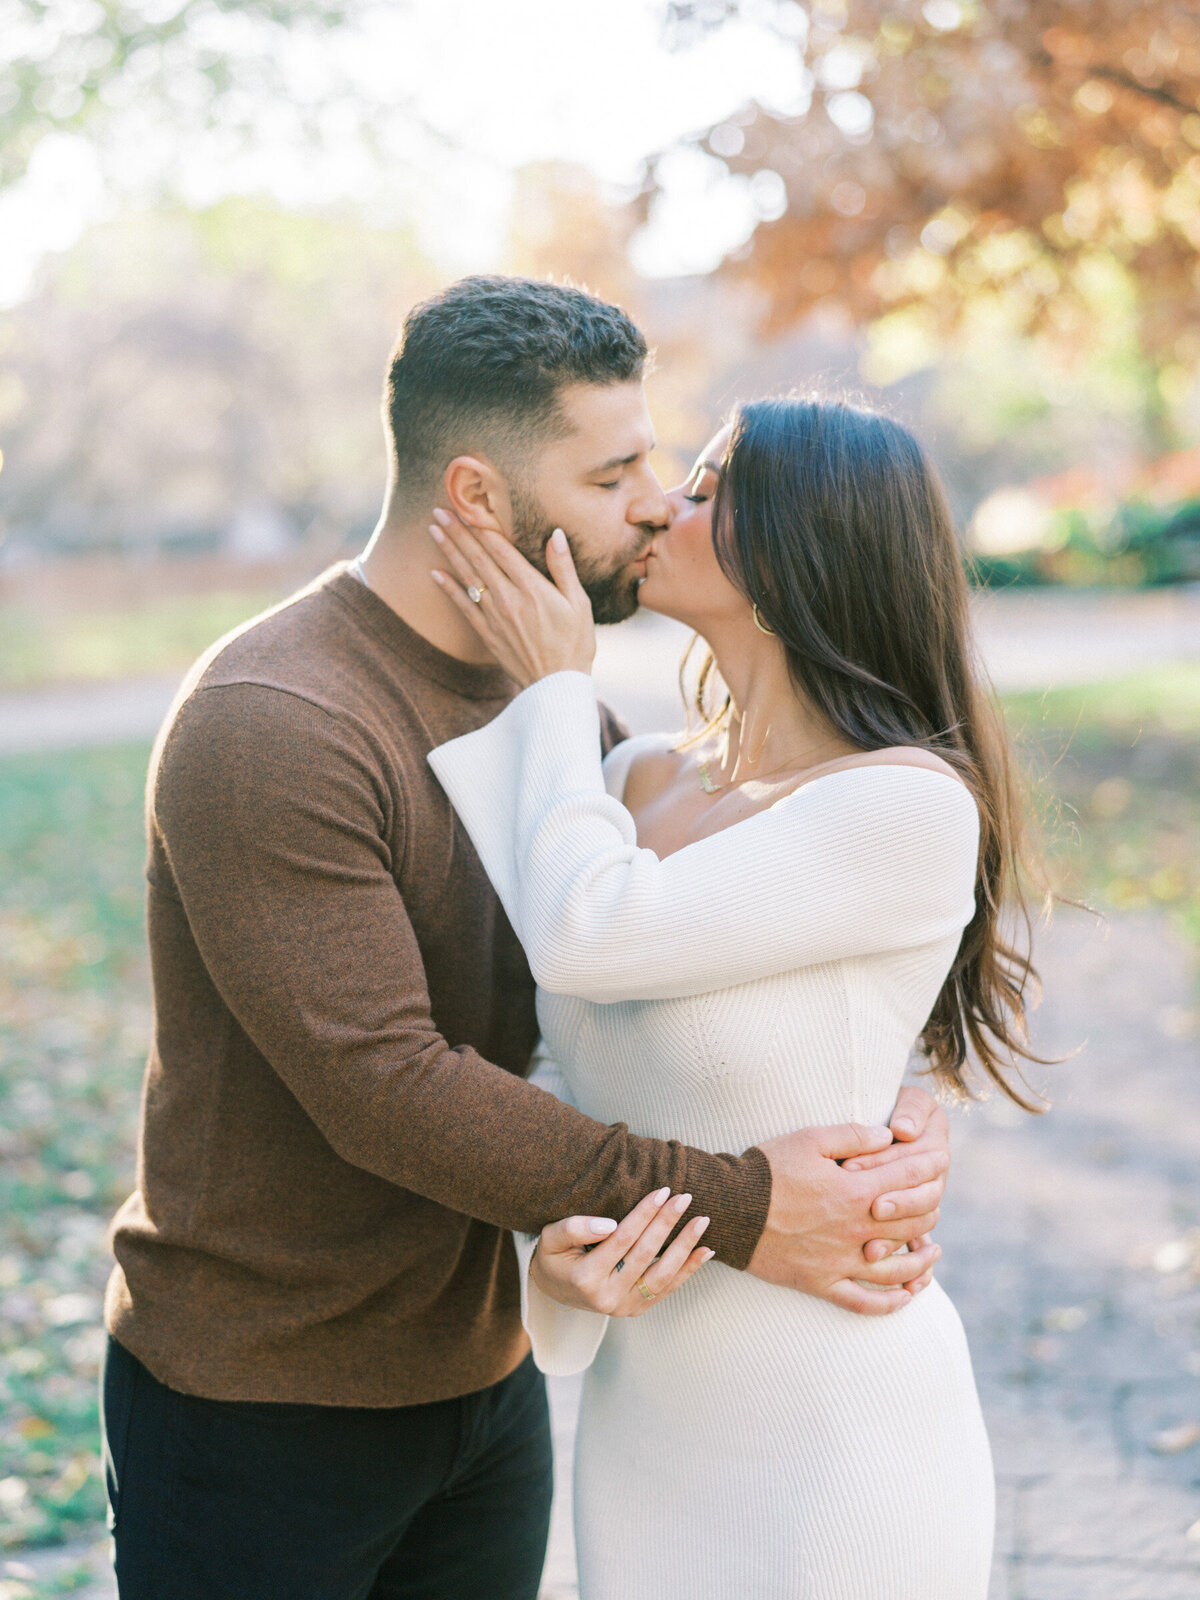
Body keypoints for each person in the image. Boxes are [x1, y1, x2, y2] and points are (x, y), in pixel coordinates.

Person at [101, 278, 952, 1600]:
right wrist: (750, 1204)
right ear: (480, 499)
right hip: (269, 1398)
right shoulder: (278, 719)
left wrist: (874, 1111)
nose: (659, 502)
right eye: (614, 474)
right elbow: (388, 1089)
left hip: (490, 1377)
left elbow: (661, 986)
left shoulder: (572, 731)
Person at [426, 395, 1046, 1598]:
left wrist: (556, 685)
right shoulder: (630, 775)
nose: (661, 502)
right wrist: (551, 1244)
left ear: (804, 544)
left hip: (839, 1442)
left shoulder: (905, 805)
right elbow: (565, 1056)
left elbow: (584, 937)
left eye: (707, 488)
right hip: (645, 1432)